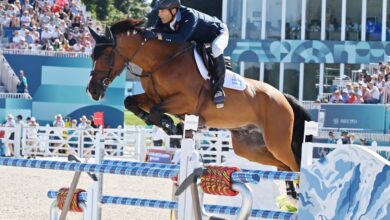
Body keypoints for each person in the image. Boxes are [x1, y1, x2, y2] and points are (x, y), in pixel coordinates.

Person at [144, 0, 229, 108]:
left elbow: (180, 39)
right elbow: (157, 33)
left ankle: (219, 89)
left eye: (162, 11)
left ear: (173, 11)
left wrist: (158, 35)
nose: (159, 14)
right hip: (200, 40)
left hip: (217, 33)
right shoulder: (163, 19)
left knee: (216, 48)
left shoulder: (190, 16)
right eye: (159, 11)